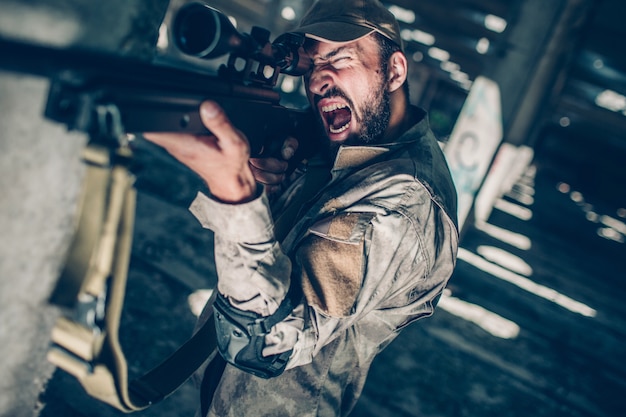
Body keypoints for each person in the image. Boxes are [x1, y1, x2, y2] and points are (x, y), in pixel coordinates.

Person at [145, 0, 458, 415]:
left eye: (341, 59)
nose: (319, 81)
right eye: (311, 66)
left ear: (395, 71)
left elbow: (261, 344)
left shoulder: (404, 206)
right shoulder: (344, 143)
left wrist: (235, 196)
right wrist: (272, 192)